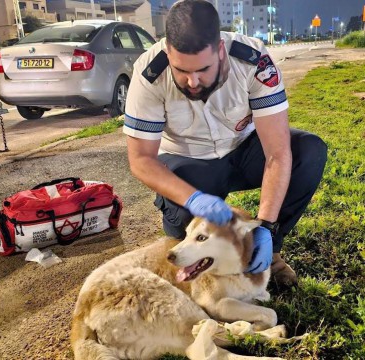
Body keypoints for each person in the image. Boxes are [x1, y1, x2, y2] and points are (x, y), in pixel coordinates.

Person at [123, 0, 327, 285]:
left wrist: (266, 226)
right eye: (181, 70)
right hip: (189, 160)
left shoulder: (254, 61)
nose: (192, 81)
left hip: (243, 151)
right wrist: (193, 199)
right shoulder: (149, 73)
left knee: (309, 151)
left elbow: (277, 153)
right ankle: (199, 257)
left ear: (220, 50)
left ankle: (271, 251)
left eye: (203, 70)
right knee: (182, 221)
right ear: (168, 52)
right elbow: (141, 160)